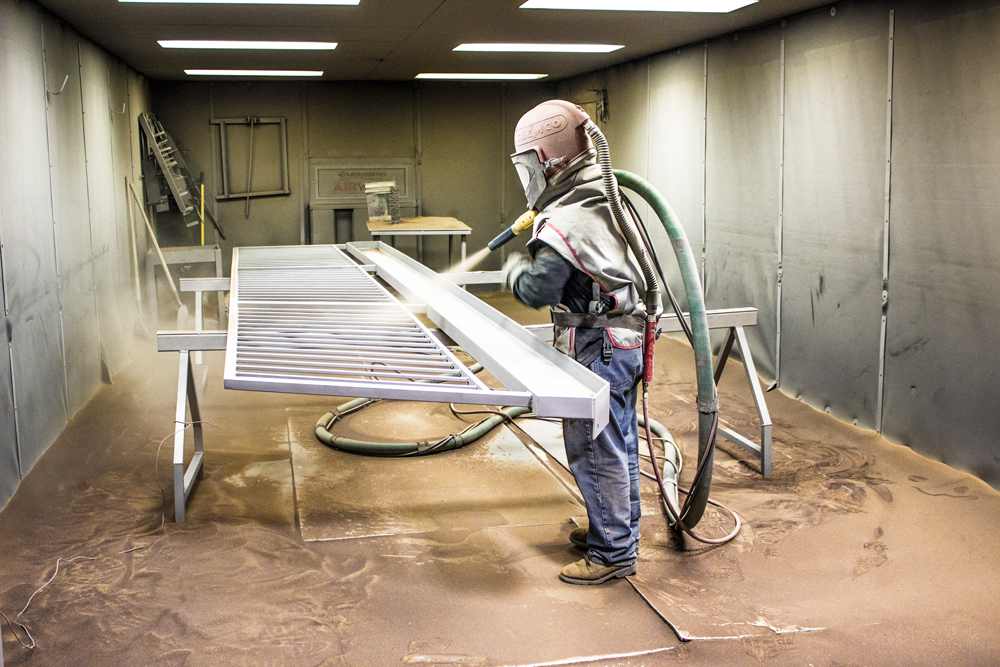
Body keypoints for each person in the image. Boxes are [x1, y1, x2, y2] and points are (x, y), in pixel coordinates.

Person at [502, 100, 648, 585]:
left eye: (528, 166)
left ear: (547, 161)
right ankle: (618, 532)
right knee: (618, 438)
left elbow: (541, 289)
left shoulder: (567, 217)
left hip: (599, 344)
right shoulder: (601, 197)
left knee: (593, 445)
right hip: (623, 339)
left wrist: (515, 274)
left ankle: (612, 554)